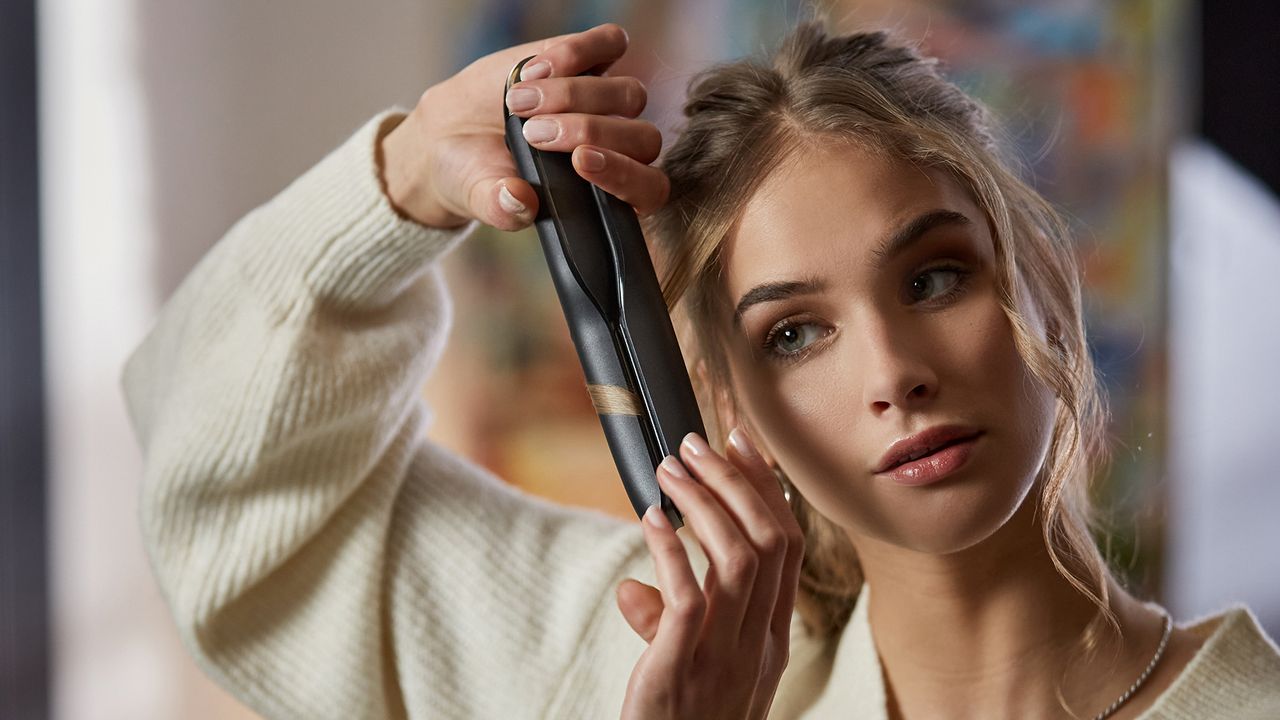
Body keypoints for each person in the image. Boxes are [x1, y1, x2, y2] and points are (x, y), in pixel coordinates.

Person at [121, 17, 1280, 720]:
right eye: (793, 333)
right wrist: (409, 175)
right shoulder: (620, 651)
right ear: (730, 410)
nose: (891, 372)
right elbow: (232, 502)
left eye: (931, 278)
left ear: (1040, 280)